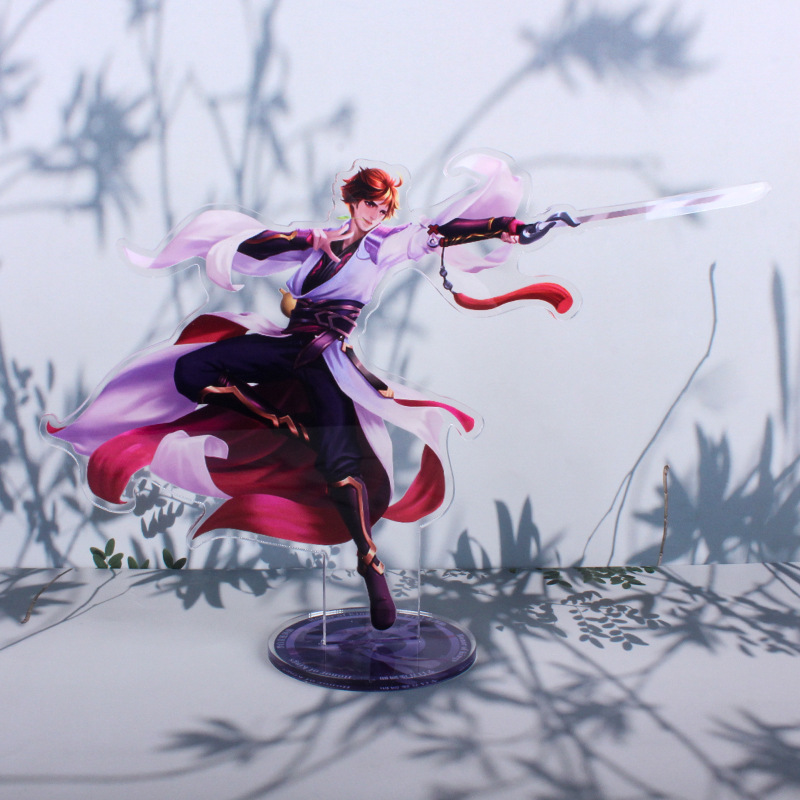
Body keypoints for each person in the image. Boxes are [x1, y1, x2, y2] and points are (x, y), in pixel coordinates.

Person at [47, 153, 576, 630]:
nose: (376, 214)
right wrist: (302, 240)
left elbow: (441, 231)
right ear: (352, 201)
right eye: (370, 205)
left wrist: (509, 227)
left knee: (341, 463)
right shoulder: (318, 239)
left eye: (384, 208)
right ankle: (274, 420)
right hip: (285, 346)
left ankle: (370, 564)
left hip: (327, 358)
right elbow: (253, 247)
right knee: (192, 370)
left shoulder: (386, 245)